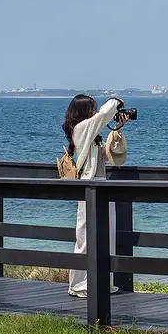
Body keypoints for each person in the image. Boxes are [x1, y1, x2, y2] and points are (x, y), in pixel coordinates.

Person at [62, 94, 130, 298]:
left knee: (105, 236)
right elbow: (103, 116)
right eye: (91, 109)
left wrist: (117, 129)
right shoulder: (81, 129)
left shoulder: (92, 134)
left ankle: (99, 281)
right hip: (89, 187)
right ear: (84, 112)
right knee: (85, 237)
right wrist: (116, 100)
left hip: (101, 186)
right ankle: (78, 284)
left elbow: (110, 158)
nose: (94, 113)